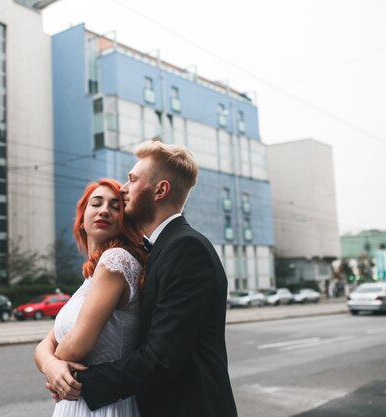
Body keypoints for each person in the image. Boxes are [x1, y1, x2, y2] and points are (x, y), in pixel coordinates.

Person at [43, 139, 237, 417]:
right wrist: (51, 364)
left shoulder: (186, 249)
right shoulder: (159, 250)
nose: (123, 188)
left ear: (160, 190)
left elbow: (160, 359)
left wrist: (77, 383)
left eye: (132, 180)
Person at [35, 178, 148, 417]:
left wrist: (49, 364)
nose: (105, 210)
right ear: (82, 219)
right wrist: (51, 365)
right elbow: (48, 343)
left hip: (103, 405)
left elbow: (76, 346)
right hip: (77, 402)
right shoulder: (89, 279)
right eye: (96, 203)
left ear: (124, 221)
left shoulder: (116, 260)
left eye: (115, 206)